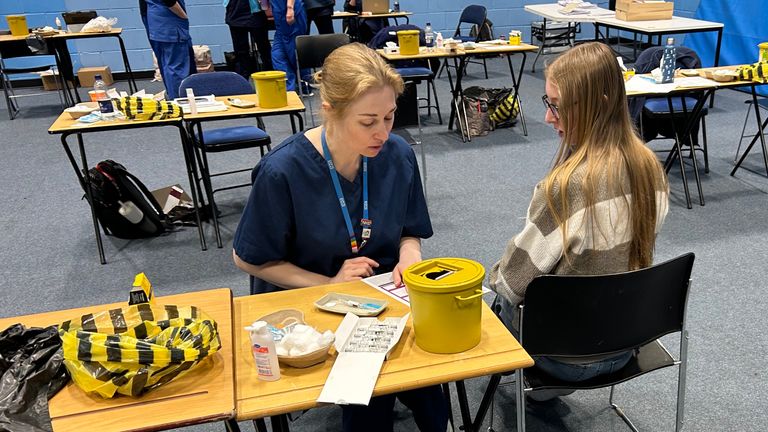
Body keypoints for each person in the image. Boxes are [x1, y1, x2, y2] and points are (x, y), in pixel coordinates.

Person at [232, 43, 447, 432]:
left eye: (390, 116)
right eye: (368, 122)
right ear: (329, 111)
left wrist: (409, 255)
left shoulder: (396, 155)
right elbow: (248, 258)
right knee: (369, 403)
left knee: (432, 392)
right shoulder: (283, 171)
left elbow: (410, 229)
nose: (383, 132)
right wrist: (328, 284)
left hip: (377, 297)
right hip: (309, 306)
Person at [489, 42, 669, 397]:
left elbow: (512, 283)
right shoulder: (651, 168)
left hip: (567, 357)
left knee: (498, 300)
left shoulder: (567, 186)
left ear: (596, 106)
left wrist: (497, 274)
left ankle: (538, 390)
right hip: (626, 342)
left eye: (555, 106)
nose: (547, 117)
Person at [141, 0, 197, 100]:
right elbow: (170, 2)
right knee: (177, 67)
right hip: (170, 22)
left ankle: (173, 98)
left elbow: (143, 7)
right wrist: (183, 16)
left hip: (155, 24)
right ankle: (181, 101)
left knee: (166, 65)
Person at [224, 0, 273, 77]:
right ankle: (243, 81)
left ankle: (270, 76)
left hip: (256, 11)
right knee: (240, 51)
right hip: (235, 10)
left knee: (263, 48)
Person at [270, 0, 307, 91]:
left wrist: (290, 8)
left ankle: (305, 84)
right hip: (279, 14)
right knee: (277, 55)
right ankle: (289, 89)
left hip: (291, 12)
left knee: (294, 53)